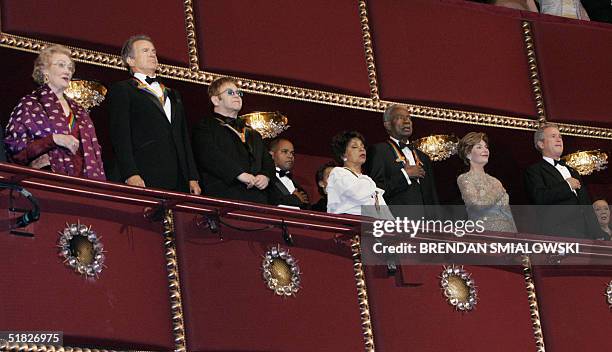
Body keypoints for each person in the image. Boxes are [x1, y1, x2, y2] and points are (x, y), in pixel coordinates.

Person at [107, 35, 200, 194]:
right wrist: (130, 172)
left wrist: (192, 176)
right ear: (130, 60)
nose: (152, 54)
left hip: (179, 177)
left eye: (153, 51)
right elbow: (120, 135)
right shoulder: (123, 90)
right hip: (145, 172)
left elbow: (183, 136)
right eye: (145, 51)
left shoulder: (173, 93)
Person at [4, 44, 105, 180]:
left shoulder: (79, 110)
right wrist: (54, 139)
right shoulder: (31, 103)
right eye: (61, 65)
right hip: (46, 182)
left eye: (70, 68)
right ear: (45, 71)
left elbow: (93, 153)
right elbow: (15, 149)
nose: (68, 71)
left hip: (82, 184)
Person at [192, 77, 274, 204]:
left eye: (239, 93)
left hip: (258, 201)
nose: (237, 96)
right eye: (230, 92)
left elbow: (267, 160)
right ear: (215, 100)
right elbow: (209, 155)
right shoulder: (205, 127)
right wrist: (239, 174)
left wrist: (266, 176)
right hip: (224, 197)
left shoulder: (254, 134)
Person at [524, 123, 599, 238]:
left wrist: (596, 232)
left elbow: (586, 204)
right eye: (553, 136)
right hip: (559, 235)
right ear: (541, 144)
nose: (559, 139)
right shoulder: (534, 171)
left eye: (560, 136)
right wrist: (567, 186)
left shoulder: (573, 171)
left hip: (586, 235)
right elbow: (539, 198)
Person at [365, 104, 438, 217]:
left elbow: (432, 198)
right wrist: (405, 175)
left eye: (409, 118)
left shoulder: (423, 157)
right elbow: (375, 191)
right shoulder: (379, 151)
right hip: (395, 223)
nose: (407, 121)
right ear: (388, 125)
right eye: (400, 117)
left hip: (424, 227)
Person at [457, 132, 517, 232]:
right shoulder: (464, 178)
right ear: (468, 154)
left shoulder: (495, 181)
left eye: (486, 147)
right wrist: (497, 190)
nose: (485, 150)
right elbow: (477, 206)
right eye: (479, 147)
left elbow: (507, 212)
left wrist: (516, 238)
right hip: (483, 233)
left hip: (506, 234)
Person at [326, 131, 392, 219]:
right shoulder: (338, 172)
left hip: (370, 226)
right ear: (343, 155)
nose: (362, 149)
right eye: (354, 147)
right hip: (348, 225)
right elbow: (358, 194)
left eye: (363, 146)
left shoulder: (368, 180)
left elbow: (384, 212)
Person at [267, 138, 310, 209]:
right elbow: (267, 202)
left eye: (292, 153)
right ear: (272, 155)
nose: (290, 156)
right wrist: (295, 199)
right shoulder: (266, 179)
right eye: (285, 151)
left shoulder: (298, 187)